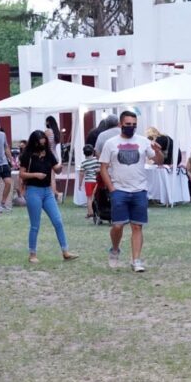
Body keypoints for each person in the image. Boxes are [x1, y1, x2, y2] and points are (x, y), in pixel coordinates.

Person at [98, 110, 164, 273]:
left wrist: (158, 151)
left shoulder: (143, 141)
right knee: (118, 225)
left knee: (137, 226)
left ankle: (136, 260)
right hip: (119, 189)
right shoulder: (111, 143)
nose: (131, 127)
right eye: (128, 124)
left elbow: (158, 161)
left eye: (134, 125)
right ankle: (115, 248)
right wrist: (111, 188)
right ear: (120, 124)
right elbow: (103, 167)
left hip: (139, 189)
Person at [19, 130, 77, 264]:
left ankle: (65, 251)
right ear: (34, 142)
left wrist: (60, 166)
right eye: (41, 142)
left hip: (47, 191)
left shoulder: (48, 153)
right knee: (35, 225)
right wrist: (35, 175)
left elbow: (56, 169)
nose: (43, 144)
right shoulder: (27, 155)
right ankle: (32, 254)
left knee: (58, 221)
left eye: (44, 142)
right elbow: (22, 174)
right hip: (33, 190)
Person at [78, 145, 100, 219]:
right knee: (96, 197)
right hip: (97, 181)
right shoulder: (97, 160)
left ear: (84, 153)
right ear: (93, 152)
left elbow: (81, 174)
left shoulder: (83, 163)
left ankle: (90, 213)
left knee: (89, 198)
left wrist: (79, 184)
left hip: (88, 182)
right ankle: (98, 211)